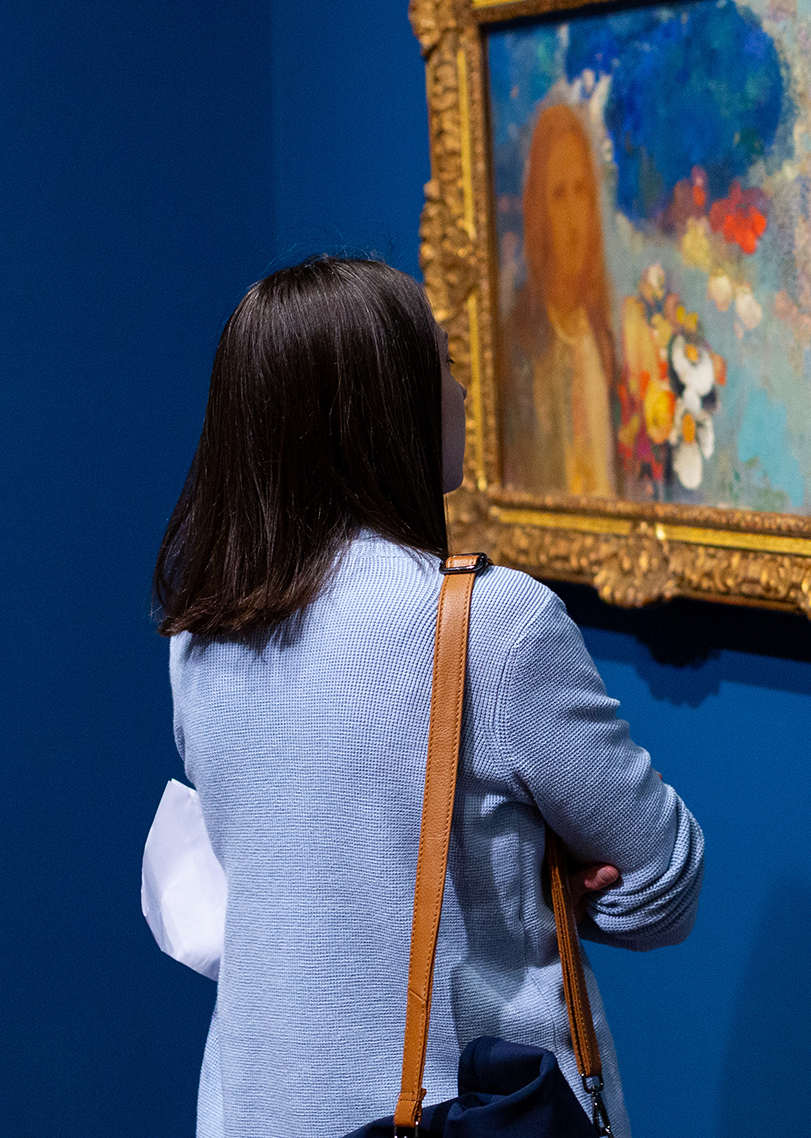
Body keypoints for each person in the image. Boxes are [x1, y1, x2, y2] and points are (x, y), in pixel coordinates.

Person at [154, 256, 702, 1137]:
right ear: (378, 410)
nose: (459, 393)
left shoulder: (200, 633)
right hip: (467, 1114)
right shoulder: (492, 623)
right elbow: (666, 880)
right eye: (439, 366)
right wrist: (550, 873)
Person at [506, 102, 620, 498]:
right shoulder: (519, 341)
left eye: (581, 191)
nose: (574, 216)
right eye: (558, 195)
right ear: (539, 211)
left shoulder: (604, 332)